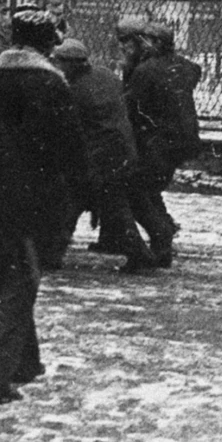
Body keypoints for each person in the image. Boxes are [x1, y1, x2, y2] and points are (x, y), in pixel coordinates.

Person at [0, 8, 87, 407]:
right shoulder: (51, 85)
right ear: (48, 44)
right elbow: (69, 154)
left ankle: (26, 363)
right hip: (31, 204)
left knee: (18, 279)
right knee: (21, 285)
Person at [51, 38, 157, 273]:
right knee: (107, 206)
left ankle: (141, 254)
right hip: (121, 151)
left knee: (86, 205)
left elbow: (70, 127)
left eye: (58, 62)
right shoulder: (105, 75)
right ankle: (146, 251)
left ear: (69, 63)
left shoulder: (75, 90)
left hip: (100, 158)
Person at [124, 22, 202, 267]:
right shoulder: (187, 67)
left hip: (156, 140)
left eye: (145, 41)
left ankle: (161, 237)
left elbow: (132, 106)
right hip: (183, 138)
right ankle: (163, 230)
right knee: (149, 187)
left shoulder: (146, 70)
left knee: (137, 190)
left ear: (156, 43)